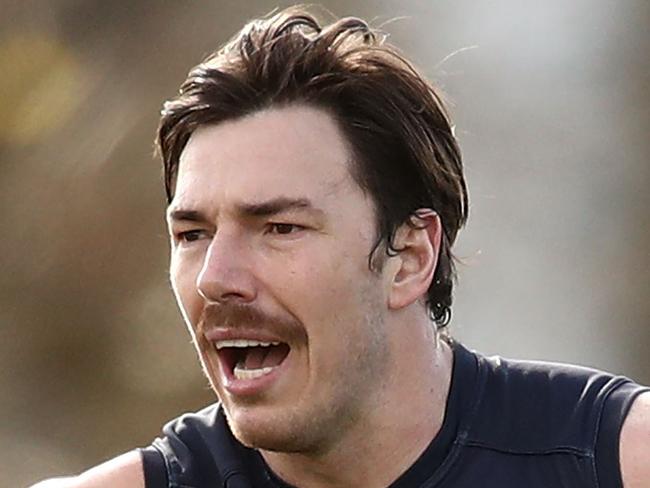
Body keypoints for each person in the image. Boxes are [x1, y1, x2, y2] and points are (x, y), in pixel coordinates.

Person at [33, 6, 649, 488]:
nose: (215, 278)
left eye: (279, 228)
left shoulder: (616, 462)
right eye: (193, 235)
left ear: (409, 258)